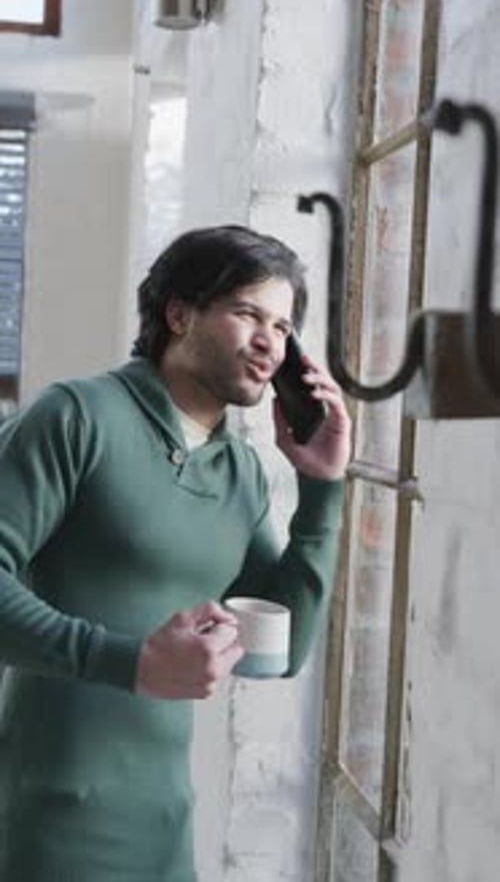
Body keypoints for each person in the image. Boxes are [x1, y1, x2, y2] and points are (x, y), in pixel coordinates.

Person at [0, 225, 351, 881]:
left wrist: (322, 490)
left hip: (165, 826)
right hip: (51, 817)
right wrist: (129, 661)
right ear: (179, 313)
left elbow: (281, 649)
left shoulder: (239, 471)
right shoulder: (76, 416)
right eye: (249, 313)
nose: (270, 341)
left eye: (282, 324)